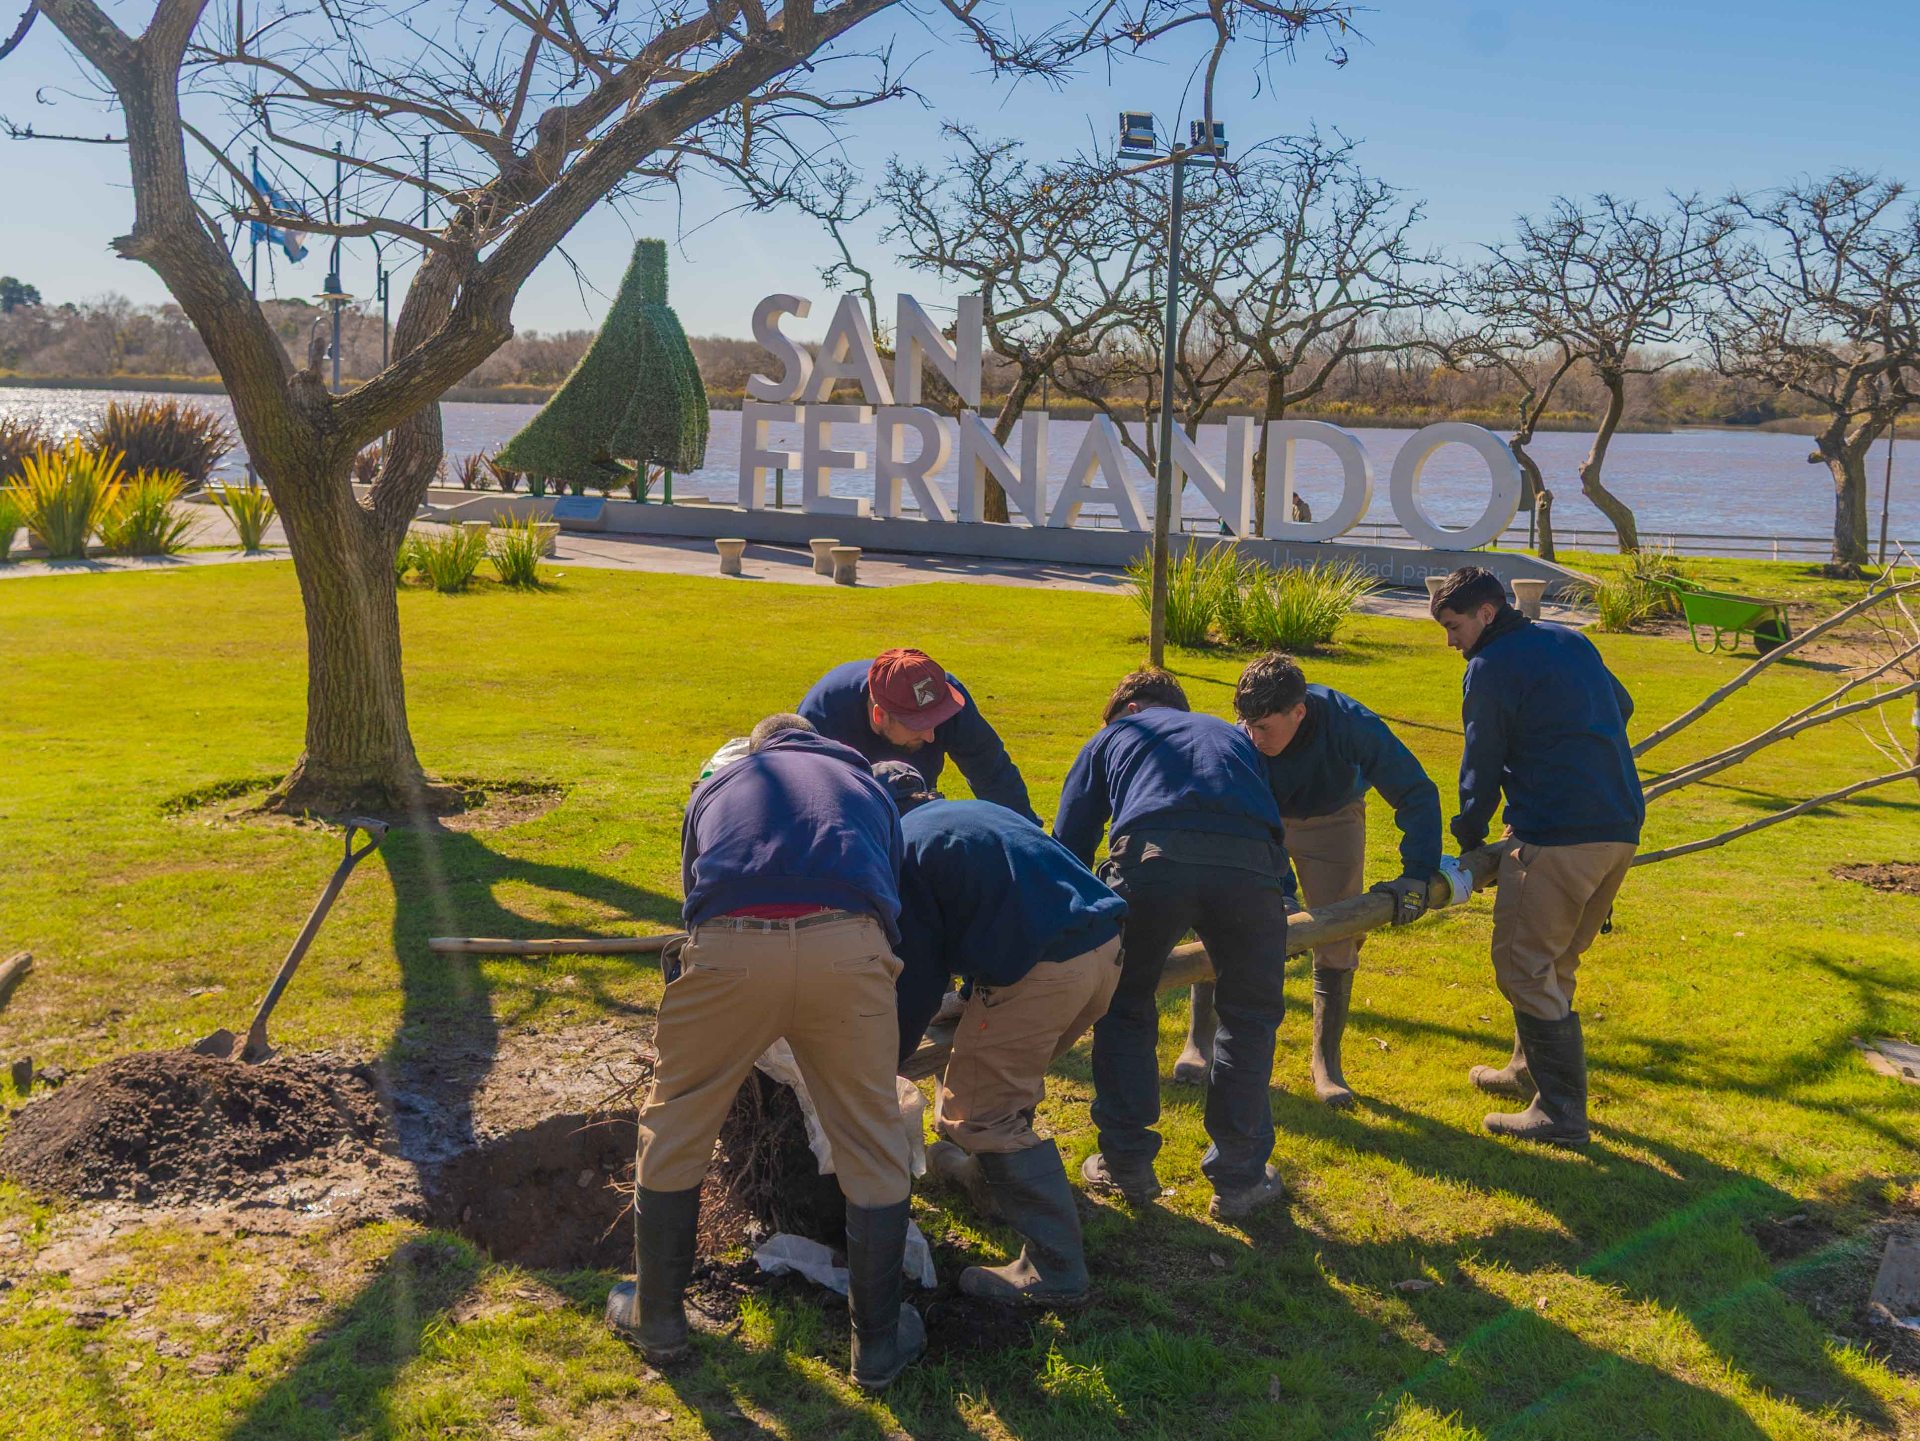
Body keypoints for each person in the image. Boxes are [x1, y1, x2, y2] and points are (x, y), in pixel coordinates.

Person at [608, 714, 924, 1391]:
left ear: (757, 748)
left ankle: (657, 1319)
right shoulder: (863, 782)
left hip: (731, 947)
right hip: (848, 947)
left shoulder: (719, 785)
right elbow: (888, 887)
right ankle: (875, 1346)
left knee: (676, 1118)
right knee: (872, 1132)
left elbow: (694, 898)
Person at [875, 762, 1126, 1307]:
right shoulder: (977, 813)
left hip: (1043, 972)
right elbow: (1009, 901)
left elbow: (919, 978)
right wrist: (971, 997)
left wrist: (885, 1060)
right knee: (1003, 1080)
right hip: (1103, 949)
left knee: (979, 1113)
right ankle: (986, 1184)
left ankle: (1056, 1271)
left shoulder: (904, 846)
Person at [1054, 667, 1298, 1221]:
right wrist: (1281, 896)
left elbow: (1069, 843)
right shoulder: (1232, 737)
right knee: (1250, 1019)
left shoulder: (1120, 733)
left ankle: (1126, 1165)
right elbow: (1264, 816)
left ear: (1127, 710)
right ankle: (1240, 1179)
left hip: (1151, 864)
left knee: (1123, 1005)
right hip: (1250, 872)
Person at [1431, 567, 1644, 1150]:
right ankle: (1528, 1072)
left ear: (1486, 614)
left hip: (1558, 834)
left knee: (1523, 965)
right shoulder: (1570, 641)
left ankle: (1559, 1113)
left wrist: (1469, 834)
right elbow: (1622, 705)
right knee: (1557, 960)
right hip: (1620, 826)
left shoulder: (1489, 666)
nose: (1450, 641)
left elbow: (1480, 760)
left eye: (1453, 627)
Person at [1174, 653, 1446, 1106]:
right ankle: (1199, 1042)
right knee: (1220, 916)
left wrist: (1418, 872)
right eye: (1248, 726)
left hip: (1332, 817)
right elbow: (1238, 817)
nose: (1254, 737)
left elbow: (1415, 791)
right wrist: (1280, 892)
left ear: (1298, 712)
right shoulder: (1246, 741)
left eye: (1265, 727)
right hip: (1262, 815)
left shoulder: (1351, 724)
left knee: (1339, 934)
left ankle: (1326, 1064)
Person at [798, 648, 1040, 823]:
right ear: (880, 715)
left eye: (936, 720)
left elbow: (993, 774)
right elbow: (805, 806)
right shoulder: (823, 717)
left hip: (915, 802)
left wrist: (1028, 838)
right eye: (918, 724)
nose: (931, 736)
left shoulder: (944, 699)